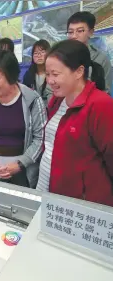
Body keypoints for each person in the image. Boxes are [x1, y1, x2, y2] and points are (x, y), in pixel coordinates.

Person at [36, 40, 113, 206]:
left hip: (81, 203)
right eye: (47, 74)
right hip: (48, 189)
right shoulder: (57, 101)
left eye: (55, 74)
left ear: (79, 72)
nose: (49, 80)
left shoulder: (100, 105)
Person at [0, 49, 47, 188]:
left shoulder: (32, 100)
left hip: (22, 173)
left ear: (11, 76)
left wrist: (19, 164)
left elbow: (40, 138)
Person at [67, 11, 112, 93]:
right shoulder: (60, 56)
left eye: (80, 31)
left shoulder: (102, 59)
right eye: (70, 32)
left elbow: (105, 92)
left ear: (91, 32)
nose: (74, 36)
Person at [23, 39, 53, 106]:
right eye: (36, 53)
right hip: (34, 110)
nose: (39, 55)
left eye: (42, 52)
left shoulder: (53, 74)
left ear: (49, 53)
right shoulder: (28, 75)